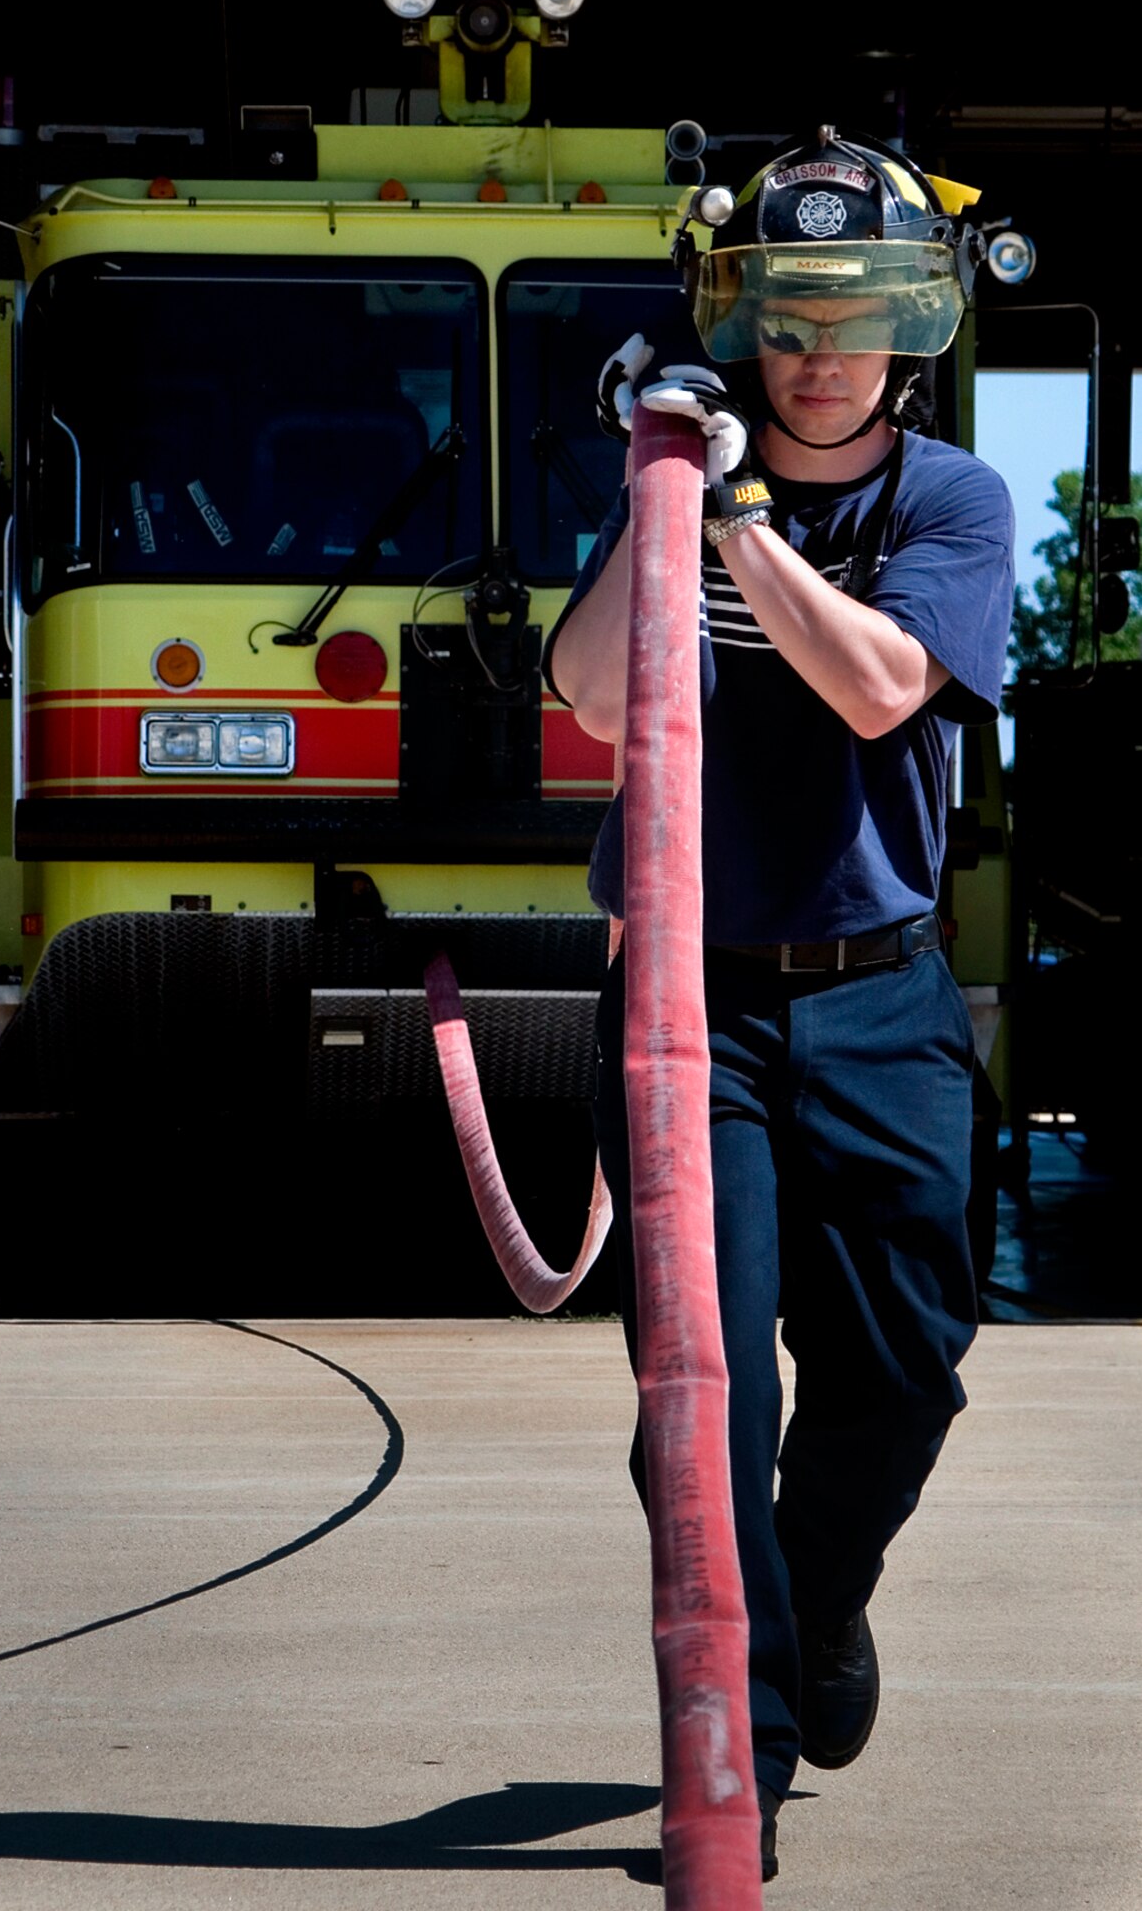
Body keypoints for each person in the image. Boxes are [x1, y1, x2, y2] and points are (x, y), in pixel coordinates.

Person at [542, 126, 1014, 1884]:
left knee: (902, 1373)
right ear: (747, 320)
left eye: (858, 321)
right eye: (793, 319)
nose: (821, 356)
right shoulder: (684, 467)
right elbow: (590, 694)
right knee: (707, 1386)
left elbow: (882, 687)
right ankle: (728, 1740)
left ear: (916, 331)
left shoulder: (948, 502)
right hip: (691, 1010)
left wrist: (737, 515)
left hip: (880, 1001)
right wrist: (659, 478)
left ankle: (819, 1600)